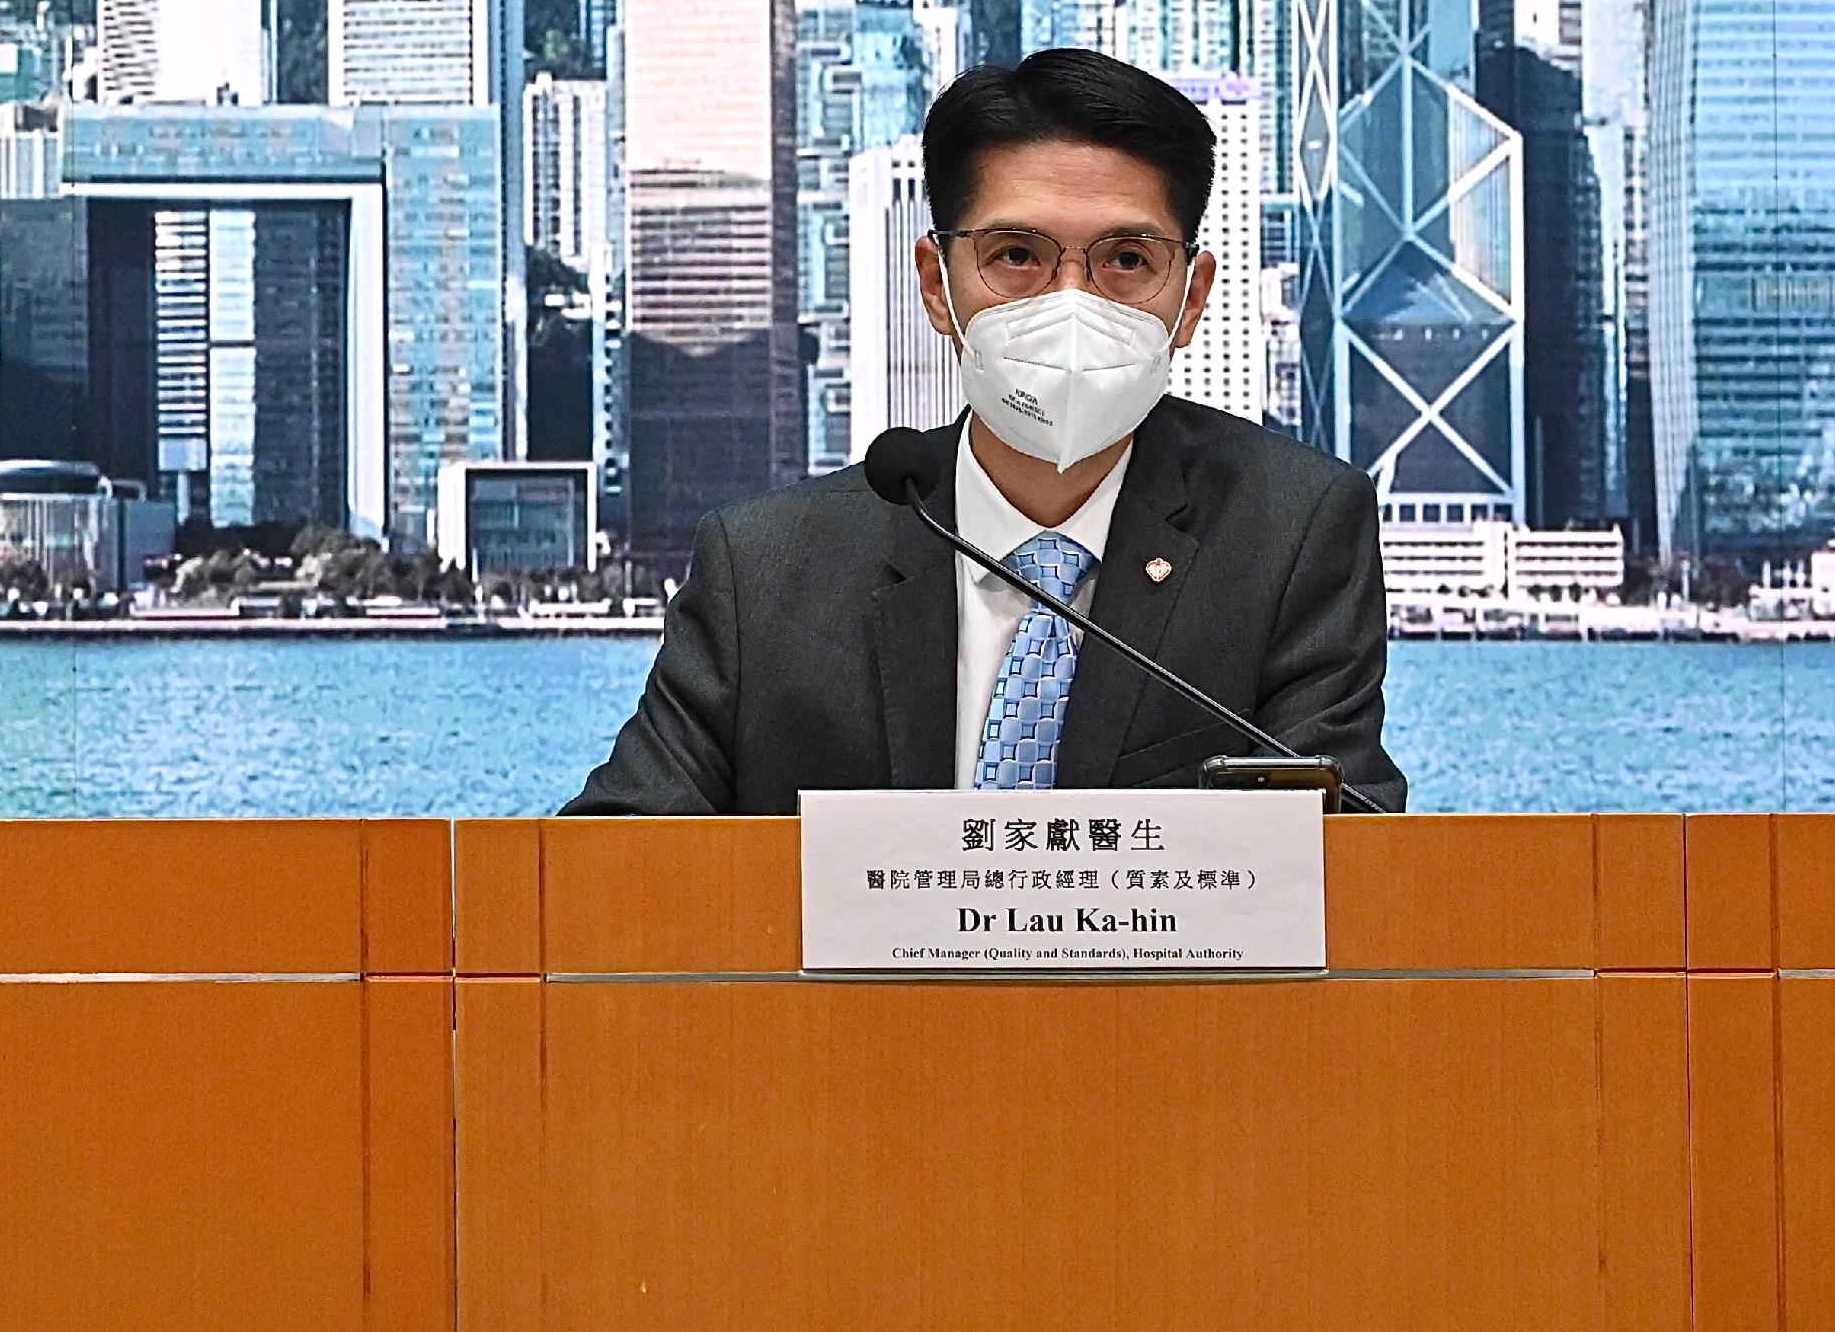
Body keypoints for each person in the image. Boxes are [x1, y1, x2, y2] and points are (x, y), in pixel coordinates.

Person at [566, 48, 1400, 816]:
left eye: (1127, 261)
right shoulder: (767, 569)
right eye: (1016, 256)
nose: (1071, 303)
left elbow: (1346, 864)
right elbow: (611, 870)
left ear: (1192, 296)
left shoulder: (1292, 533)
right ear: (937, 283)